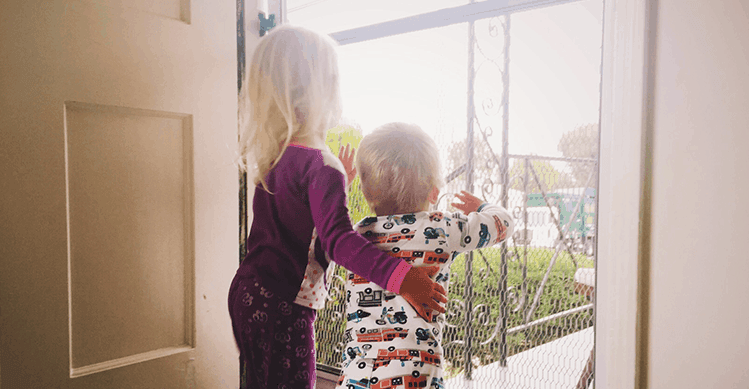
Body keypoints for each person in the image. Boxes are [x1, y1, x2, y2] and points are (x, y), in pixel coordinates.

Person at [228, 26, 447, 389]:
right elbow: (339, 243)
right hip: (284, 304)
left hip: (249, 292)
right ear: (319, 92)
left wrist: (335, 182)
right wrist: (404, 278)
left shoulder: (277, 155)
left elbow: (294, 216)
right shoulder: (320, 167)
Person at [334, 123, 514, 389]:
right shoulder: (442, 227)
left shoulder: (355, 236)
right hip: (416, 369)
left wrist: (339, 187)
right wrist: (483, 206)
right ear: (433, 191)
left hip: (359, 367)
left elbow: (317, 238)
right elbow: (504, 224)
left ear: (365, 191)